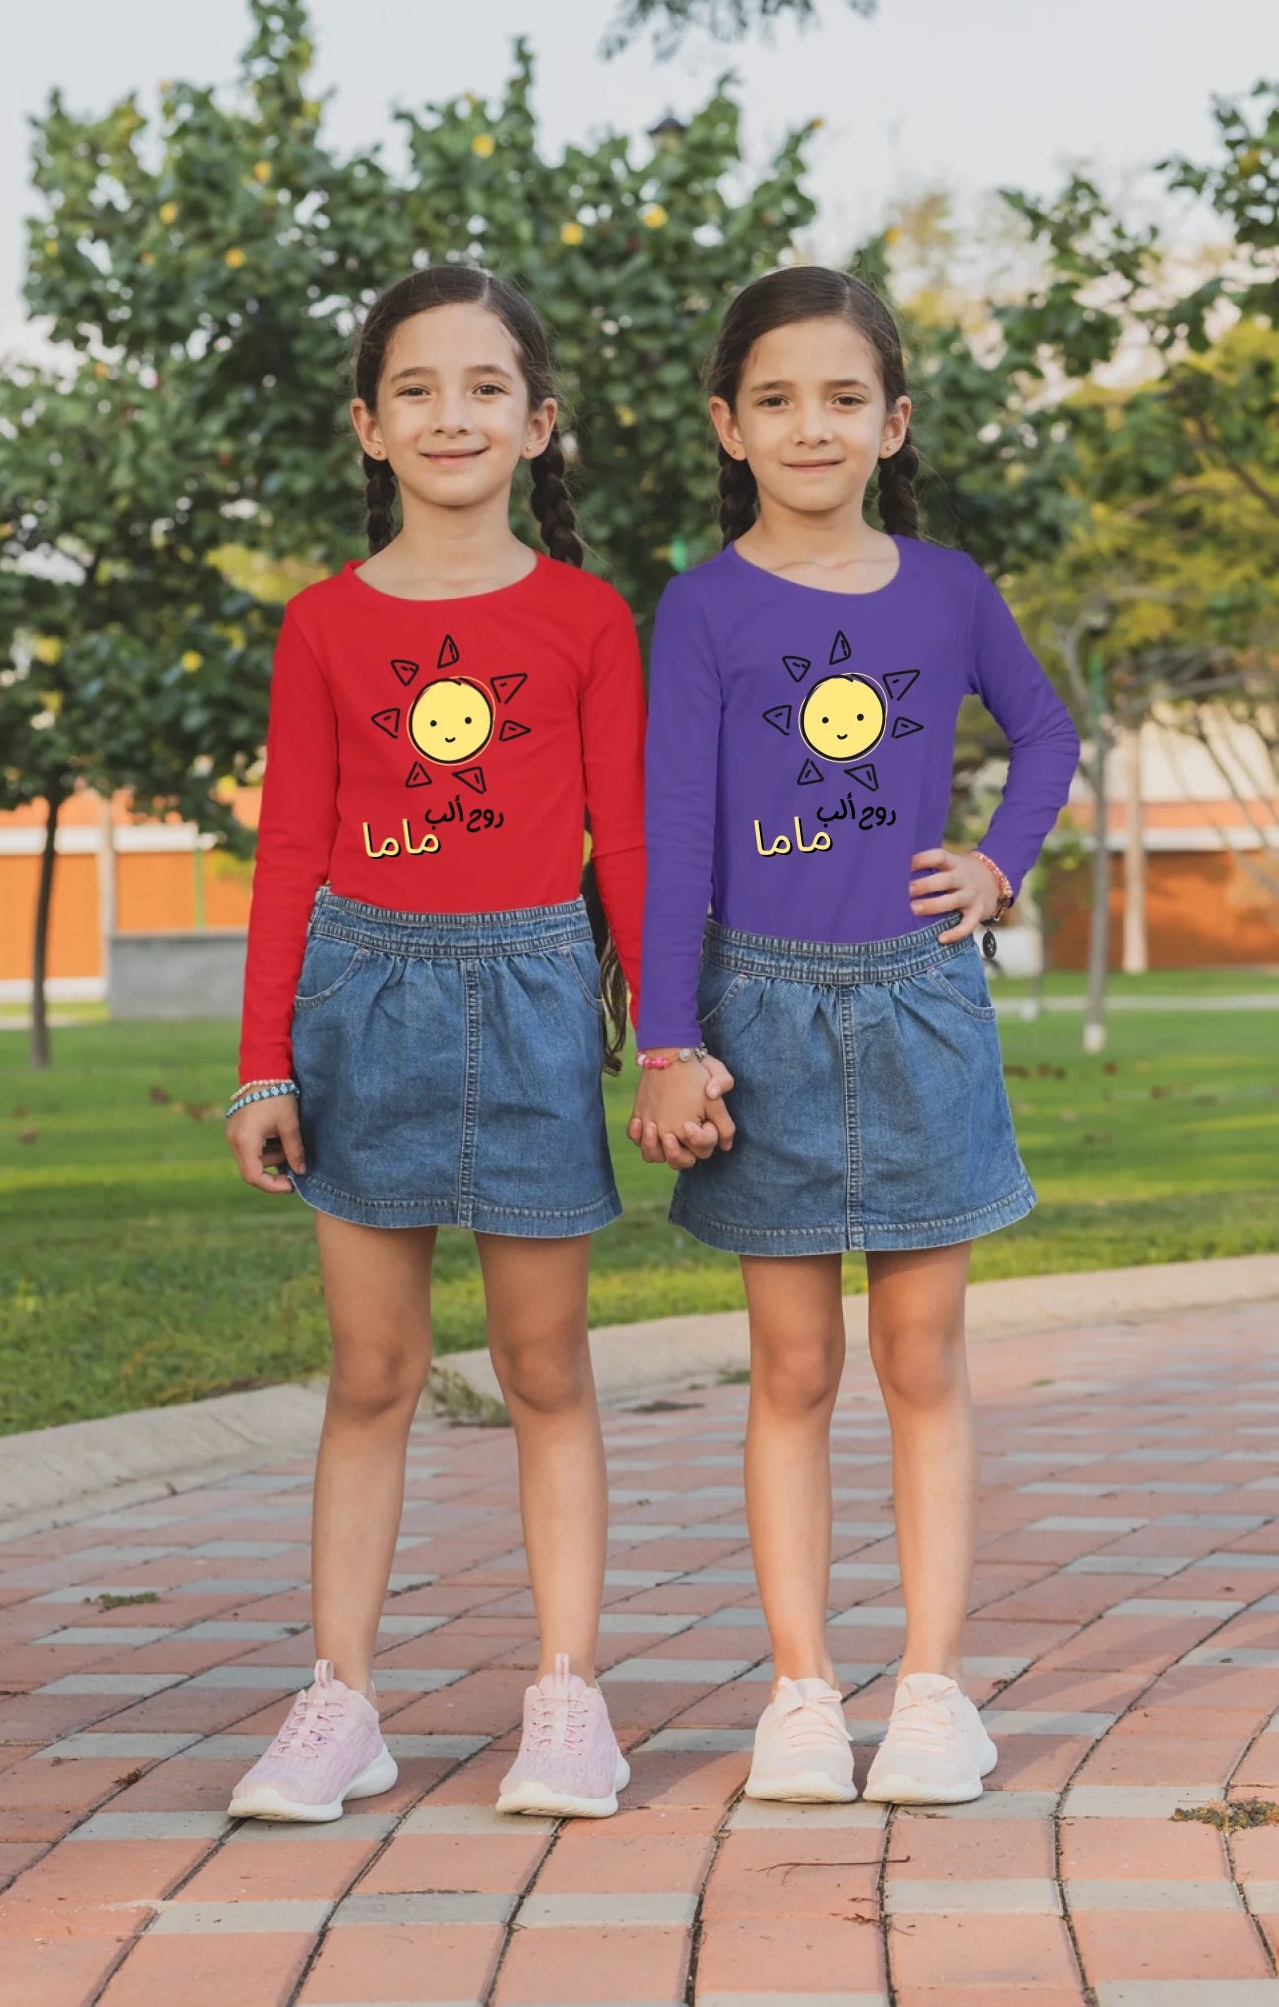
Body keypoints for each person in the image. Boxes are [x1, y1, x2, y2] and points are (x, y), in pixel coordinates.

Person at [223, 264, 727, 1823]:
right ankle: (341, 1703)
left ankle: (568, 1701)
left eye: (484, 387)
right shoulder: (321, 624)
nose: (452, 415)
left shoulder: (584, 618)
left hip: (529, 1000)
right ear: (369, 427)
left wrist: (665, 1038)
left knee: (541, 1365)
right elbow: (288, 848)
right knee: (372, 1371)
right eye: (417, 389)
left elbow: (626, 845)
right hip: (359, 1001)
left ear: (537, 421)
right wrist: (262, 1063)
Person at [630, 265, 1080, 1806]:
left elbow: (1047, 731)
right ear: (727, 425)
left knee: (919, 1357)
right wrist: (666, 1039)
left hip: (917, 1007)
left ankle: (933, 1693)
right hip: (752, 1015)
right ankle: (802, 1695)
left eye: (841, 398)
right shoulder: (702, 606)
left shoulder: (946, 590)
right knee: (792, 1363)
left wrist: (998, 861)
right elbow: (675, 833)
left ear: (891, 422)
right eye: (775, 400)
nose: (809, 426)